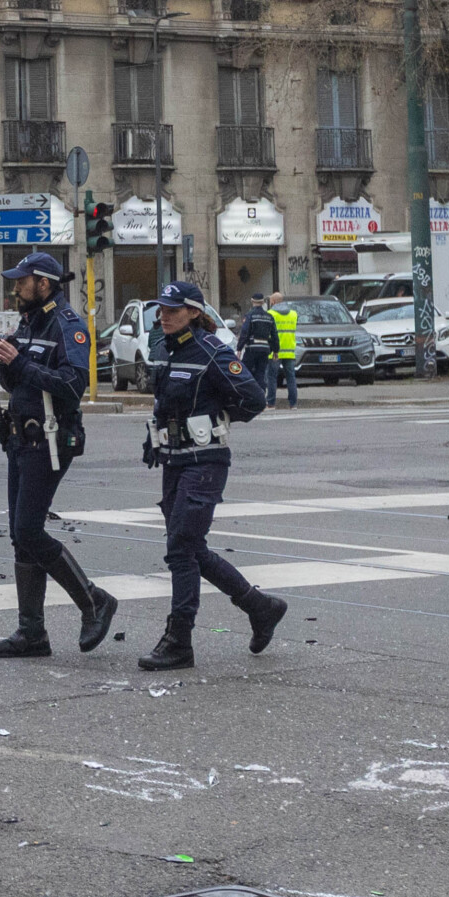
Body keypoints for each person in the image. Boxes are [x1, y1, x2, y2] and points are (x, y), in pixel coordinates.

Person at [137, 281, 286, 672]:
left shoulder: (212, 352)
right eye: (162, 309)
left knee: (181, 549)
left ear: (193, 313)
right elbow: (167, 402)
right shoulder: (166, 350)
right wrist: (155, 437)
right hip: (175, 460)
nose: (163, 315)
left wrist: (214, 421)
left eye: (172, 309)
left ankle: (179, 641)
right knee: (191, 548)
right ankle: (260, 607)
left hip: (206, 461)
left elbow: (252, 399)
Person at [0, 252, 115, 658]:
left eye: (22, 281)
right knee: (20, 538)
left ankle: (94, 601)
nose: (15, 287)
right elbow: (18, 381)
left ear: (44, 283)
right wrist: (5, 361)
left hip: (51, 440)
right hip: (20, 439)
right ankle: (32, 634)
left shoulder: (68, 324)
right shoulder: (27, 321)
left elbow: (74, 384)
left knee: (28, 531)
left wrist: (20, 362)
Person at [240, 294, 280, 401]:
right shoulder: (269, 317)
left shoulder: (250, 315)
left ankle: (248, 396)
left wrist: (239, 348)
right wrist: (276, 351)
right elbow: (274, 335)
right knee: (260, 373)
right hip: (265, 349)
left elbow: (245, 332)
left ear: (252, 301)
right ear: (263, 303)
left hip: (252, 348)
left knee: (245, 372)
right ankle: (261, 397)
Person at [269, 297, 301, 410]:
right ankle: (293, 404)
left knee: (272, 378)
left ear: (273, 302)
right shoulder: (293, 314)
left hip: (275, 352)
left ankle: (271, 403)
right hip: (290, 351)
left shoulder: (270, 314)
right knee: (291, 378)